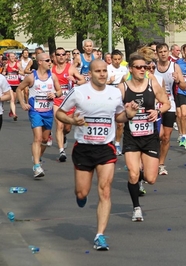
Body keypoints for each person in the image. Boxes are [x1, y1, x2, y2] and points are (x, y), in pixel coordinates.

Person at [56, 59, 136, 250]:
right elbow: (60, 113)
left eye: (104, 71)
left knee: (105, 190)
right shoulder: (79, 92)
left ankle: (99, 235)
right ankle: (81, 196)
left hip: (105, 148)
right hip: (83, 148)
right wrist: (72, 121)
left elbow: (119, 116)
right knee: (82, 191)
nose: (102, 74)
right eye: (98, 71)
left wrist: (129, 114)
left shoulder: (115, 93)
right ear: (90, 73)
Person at [118, 54, 170, 222]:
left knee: (151, 179)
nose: (143, 70)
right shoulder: (122, 88)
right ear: (131, 69)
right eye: (139, 67)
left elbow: (166, 102)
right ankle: (136, 207)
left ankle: (141, 175)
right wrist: (128, 114)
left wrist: (158, 111)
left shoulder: (152, 83)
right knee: (133, 174)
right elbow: (116, 116)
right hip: (131, 137)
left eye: (145, 67)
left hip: (149, 137)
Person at [16, 53, 62, 178]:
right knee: (37, 137)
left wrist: (55, 95)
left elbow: (60, 91)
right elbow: (19, 89)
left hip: (48, 111)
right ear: (40, 62)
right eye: (47, 60)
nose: (50, 62)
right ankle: (36, 166)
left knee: (45, 140)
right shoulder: (31, 77)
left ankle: (37, 157)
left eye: (50, 60)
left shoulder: (53, 77)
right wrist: (23, 103)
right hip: (35, 111)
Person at [155, 43, 186, 175]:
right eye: (160, 51)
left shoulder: (174, 66)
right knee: (157, 135)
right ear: (157, 53)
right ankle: (150, 160)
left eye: (165, 51)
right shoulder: (152, 67)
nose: (163, 53)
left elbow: (184, 86)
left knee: (166, 137)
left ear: (168, 52)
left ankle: (161, 164)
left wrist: (178, 80)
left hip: (170, 103)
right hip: (155, 105)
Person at [52, 47, 85, 162]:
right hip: (57, 101)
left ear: (66, 56)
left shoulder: (70, 68)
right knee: (59, 126)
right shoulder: (52, 70)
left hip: (69, 102)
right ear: (55, 56)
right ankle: (61, 151)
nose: (61, 56)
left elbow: (83, 81)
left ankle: (64, 136)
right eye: (58, 54)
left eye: (63, 54)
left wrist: (75, 80)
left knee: (67, 128)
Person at [106, 49, 128, 155]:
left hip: (121, 97)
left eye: (119, 59)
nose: (117, 61)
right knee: (109, 121)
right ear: (111, 59)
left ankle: (118, 143)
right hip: (109, 97)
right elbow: (100, 82)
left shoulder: (125, 69)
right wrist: (109, 81)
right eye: (115, 59)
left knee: (120, 124)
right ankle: (109, 143)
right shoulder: (107, 69)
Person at [2, 52, 19, 120]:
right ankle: (14, 114)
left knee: (14, 99)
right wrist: (4, 73)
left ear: (15, 57)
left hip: (16, 84)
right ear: (8, 58)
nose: (12, 57)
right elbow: (4, 72)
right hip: (9, 84)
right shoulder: (7, 65)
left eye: (13, 56)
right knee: (12, 99)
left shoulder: (18, 64)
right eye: (11, 56)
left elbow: (23, 72)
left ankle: (11, 111)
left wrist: (17, 70)